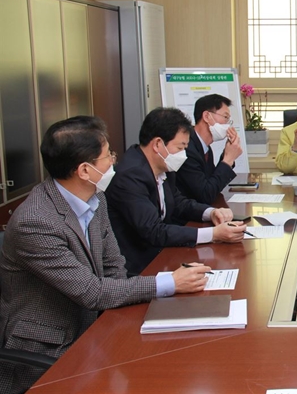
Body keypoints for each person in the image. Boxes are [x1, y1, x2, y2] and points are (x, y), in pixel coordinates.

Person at [0, 116, 211, 394]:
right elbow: (89, 291)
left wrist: (120, 315)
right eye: (107, 156)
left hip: (96, 328)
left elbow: (114, 265)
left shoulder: (94, 199)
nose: (114, 161)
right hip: (50, 347)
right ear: (85, 170)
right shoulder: (36, 222)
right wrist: (169, 282)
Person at [106, 107, 246, 276]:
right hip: (140, 268)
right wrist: (213, 234)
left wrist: (211, 212)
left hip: (162, 256)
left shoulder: (163, 166)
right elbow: (154, 231)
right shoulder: (131, 175)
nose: (183, 155)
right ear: (158, 144)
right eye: (180, 148)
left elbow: (179, 202)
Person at [176, 94, 243, 204]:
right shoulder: (187, 147)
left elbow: (213, 184)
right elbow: (206, 194)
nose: (228, 124)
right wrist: (227, 160)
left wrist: (227, 154)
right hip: (186, 217)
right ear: (207, 116)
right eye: (225, 117)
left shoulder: (206, 148)